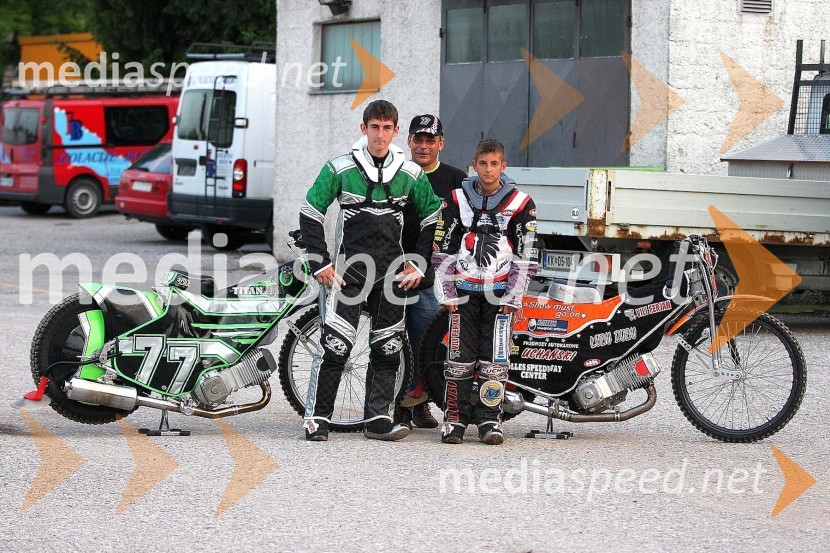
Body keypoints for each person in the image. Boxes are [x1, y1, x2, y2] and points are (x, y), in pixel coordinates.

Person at [299, 100, 441, 442]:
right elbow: (310, 211)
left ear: (395, 132)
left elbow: (432, 217)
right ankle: (317, 418)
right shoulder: (338, 169)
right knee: (334, 346)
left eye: (387, 127)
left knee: (388, 347)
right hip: (350, 271)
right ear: (363, 129)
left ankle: (378, 418)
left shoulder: (411, 174)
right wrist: (320, 261)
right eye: (374, 127)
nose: (380, 134)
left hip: (392, 273)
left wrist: (419, 262)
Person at [431, 138, 538, 445]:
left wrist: (513, 296)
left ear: (504, 166)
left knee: (495, 361)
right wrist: (447, 293)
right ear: (473, 165)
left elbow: (527, 254)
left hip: (500, 295)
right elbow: (443, 249)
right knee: (458, 359)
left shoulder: (522, 203)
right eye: (482, 164)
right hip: (463, 293)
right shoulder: (455, 198)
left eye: (494, 164)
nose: (488, 170)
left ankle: (490, 420)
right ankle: (454, 419)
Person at [395, 114, 467, 430]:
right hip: (396, 269)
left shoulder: (455, 179)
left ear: (441, 143)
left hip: (434, 275)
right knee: (396, 342)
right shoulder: (397, 175)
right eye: (418, 139)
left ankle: (419, 404)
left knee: (428, 340)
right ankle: (399, 407)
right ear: (409, 141)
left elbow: (469, 223)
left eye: (430, 140)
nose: (423, 146)